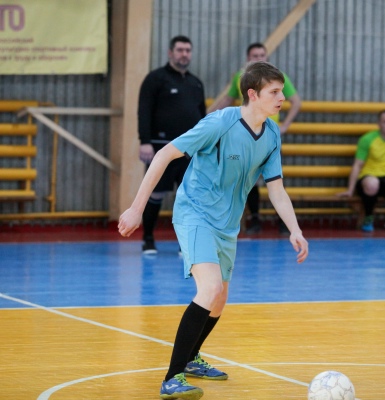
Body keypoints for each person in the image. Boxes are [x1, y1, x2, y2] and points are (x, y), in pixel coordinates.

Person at [119, 61, 309, 400]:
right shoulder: (220, 122)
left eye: (281, 91)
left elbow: (276, 189)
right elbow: (163, 155)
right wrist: (136, 208)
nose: (282, 98)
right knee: (208, 289)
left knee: (219, 299)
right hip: (195, 212)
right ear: (253, 94)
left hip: (227, 223)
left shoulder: (271, 133)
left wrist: (294, 229)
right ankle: (172, 378)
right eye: (275, 92)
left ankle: (192, 359)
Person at [208, 42, 302, 234]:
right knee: (249, 178)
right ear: (248, 59)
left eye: (262, 55)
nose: (259, 58)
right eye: (254, 55)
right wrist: (207, 116)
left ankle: (283, 221)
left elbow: (296, 101)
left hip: (269, 136)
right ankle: (255, 218)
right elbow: (228, 99)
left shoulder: (278, 78)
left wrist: (285, 125)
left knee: (275, 179)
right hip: (245, 135)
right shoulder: (240, 77)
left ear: (267, 57)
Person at [138, 35, 206, 255]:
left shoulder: (196, 83)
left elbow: (202, 118)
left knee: (189, 197)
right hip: (161, 149)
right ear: (170, 53)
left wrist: (205, 146)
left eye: (188, 50)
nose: (184, 54)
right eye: (180, 50)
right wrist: (145, 142)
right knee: (155, 194)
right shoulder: (155, 79)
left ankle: (184, 244)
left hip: (189, 151)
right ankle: (148, 239)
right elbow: (144, 111)